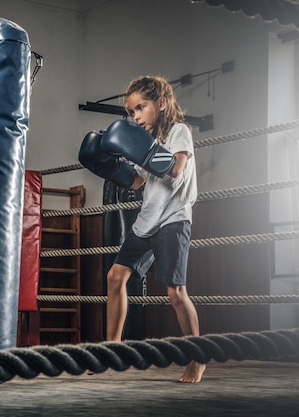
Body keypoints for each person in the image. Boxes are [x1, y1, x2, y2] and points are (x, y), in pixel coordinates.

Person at [78, 75, 205, 383]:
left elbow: (175, 168)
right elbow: (137, 181)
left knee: (175, 292)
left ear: (160, 104)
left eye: (140, 108)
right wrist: (107, 166)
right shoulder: (147, 143)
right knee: (115, 277)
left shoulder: (179, 132)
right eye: (131, 111)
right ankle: (112, 350)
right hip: (147, 221)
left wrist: (141, 151)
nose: (135, 116)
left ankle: (197, 357)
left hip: (173, 218)